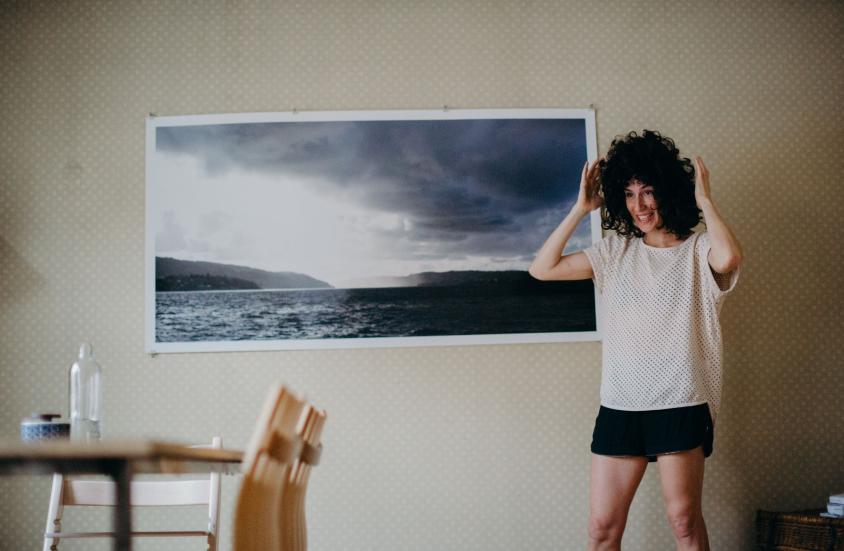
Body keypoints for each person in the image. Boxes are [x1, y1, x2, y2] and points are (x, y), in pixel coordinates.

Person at [529, 130, 743, 551]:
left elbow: (729, 258)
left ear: (668, 191)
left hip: (680, 400)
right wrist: (580, 209)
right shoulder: (615, 253)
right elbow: (542, 268)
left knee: (684, 523)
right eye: (628, 194)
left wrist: (706, 203)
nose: (639, 205)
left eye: (648, 192)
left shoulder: (698, 252)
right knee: (601, 530)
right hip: (621, 403)